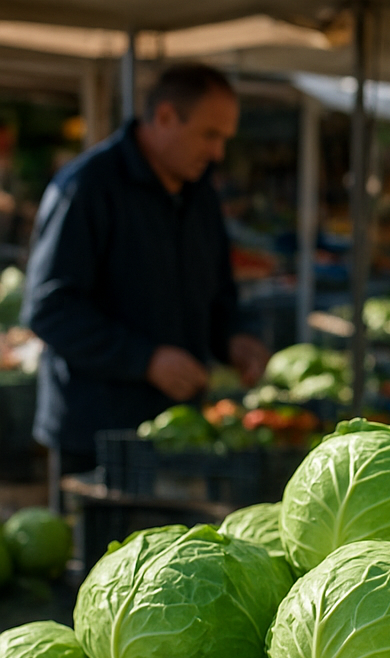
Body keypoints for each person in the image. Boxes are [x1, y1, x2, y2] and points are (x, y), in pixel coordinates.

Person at [22, 63, 270, 478]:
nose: (218, 153)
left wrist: (234, 338)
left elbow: (219, 292)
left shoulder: (200, 195)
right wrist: (146, 359)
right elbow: (50, 308)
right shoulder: (87, 188)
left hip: (178, 434)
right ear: (166, 117)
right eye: (210, 135)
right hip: (96, 437)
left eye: (225, 138)